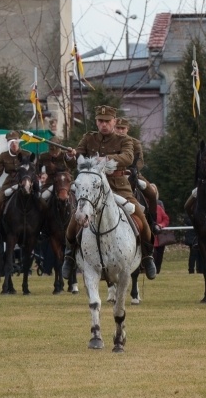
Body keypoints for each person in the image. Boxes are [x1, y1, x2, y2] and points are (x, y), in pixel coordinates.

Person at [62, 105, 156, 280]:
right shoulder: (88, 138)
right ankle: (69, 255)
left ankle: (147, 255)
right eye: (100, 121)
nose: (103, 124)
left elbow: (127, 157)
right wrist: (70, 156)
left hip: (118, 186)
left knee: (140, 218)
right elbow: (76, 161)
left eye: (107, 121)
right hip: (93, 189)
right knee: (76, 219)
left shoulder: (124, 140)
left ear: (113, 121)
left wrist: (106, 159)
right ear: (96, 122)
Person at [114, 117, 159, 233]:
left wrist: (132, 170)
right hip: (113, 175)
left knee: (152, 194)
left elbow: (140, 162)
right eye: (118, 128)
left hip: (133, 174)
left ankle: (153, 222)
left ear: (127, 129)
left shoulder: (135, 143)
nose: (120, 131)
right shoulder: (109, 143)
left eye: (122, 128)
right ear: (114, 128)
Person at [0, 131, 23, 242]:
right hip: (10, 181)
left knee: (39, 199)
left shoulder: (26, 154)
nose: (14, 144)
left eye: (15, 141)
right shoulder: (4, 156)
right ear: (8, 143)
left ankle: (40, 228)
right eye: (11, 142)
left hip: (24, 180)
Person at [152, 185, 170, 274]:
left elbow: (166, 218)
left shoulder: (159, 206)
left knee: (159, 256)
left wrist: (161, 225)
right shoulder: (144, 206)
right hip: (150, 237)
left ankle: (157, 272)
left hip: (160, 236)